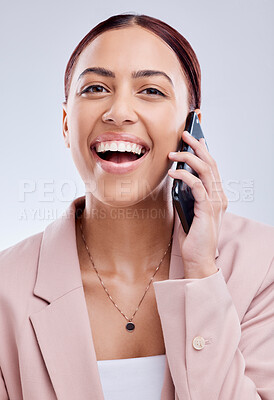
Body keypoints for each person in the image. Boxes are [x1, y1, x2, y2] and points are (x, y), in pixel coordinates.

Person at [0, 13, 273, 400]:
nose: (119, 111)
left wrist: (202, 274)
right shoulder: (5, 287)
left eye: (151, 91)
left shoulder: (262, 265)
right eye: (95, 88)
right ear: (65, 123)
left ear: (192, 125)